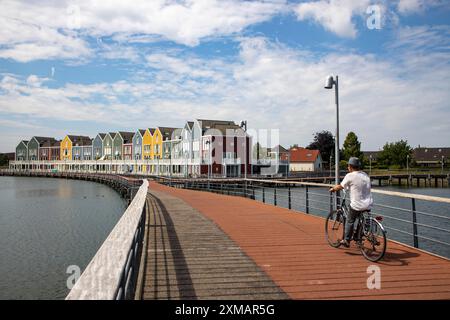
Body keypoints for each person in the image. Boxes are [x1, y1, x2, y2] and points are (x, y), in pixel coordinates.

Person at [329, 157, 373, 247]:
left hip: (357, 205)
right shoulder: (365, 175)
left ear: (350, 166)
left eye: (348, 166)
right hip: (368, 204)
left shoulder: (350, 176)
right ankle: (358, 237)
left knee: (350, 220)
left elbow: (341, 186)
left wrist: (333, 189)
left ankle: (347, 240)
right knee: (361, 219)